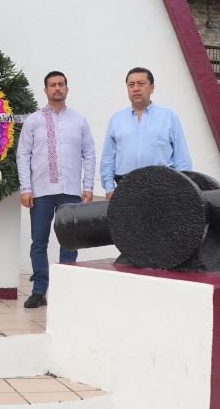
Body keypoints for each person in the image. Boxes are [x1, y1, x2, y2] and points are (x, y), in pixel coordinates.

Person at [16, 71, 96, 309]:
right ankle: (39, 290)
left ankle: (66, 292)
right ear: (46, 90)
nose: (57, 88)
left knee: (70, 241)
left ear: (67, 89)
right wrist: (25, 188)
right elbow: (23, 155)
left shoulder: (79, 120)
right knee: (39, 242)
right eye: (53, 85)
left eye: (61, 84)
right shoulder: (34, 120)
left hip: (70, 190)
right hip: (40, 191)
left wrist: (88, 186)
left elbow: (89, 153)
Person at [100, 67, 192, 199]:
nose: (135, 88)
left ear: (152, 88)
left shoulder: (169, 117)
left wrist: (182, 188)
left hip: (162, 188)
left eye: (141, 83)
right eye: (131, 85)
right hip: (125, 188)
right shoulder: (116, 120)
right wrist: (109, 188)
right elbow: (108, 157)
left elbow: (182, 157)